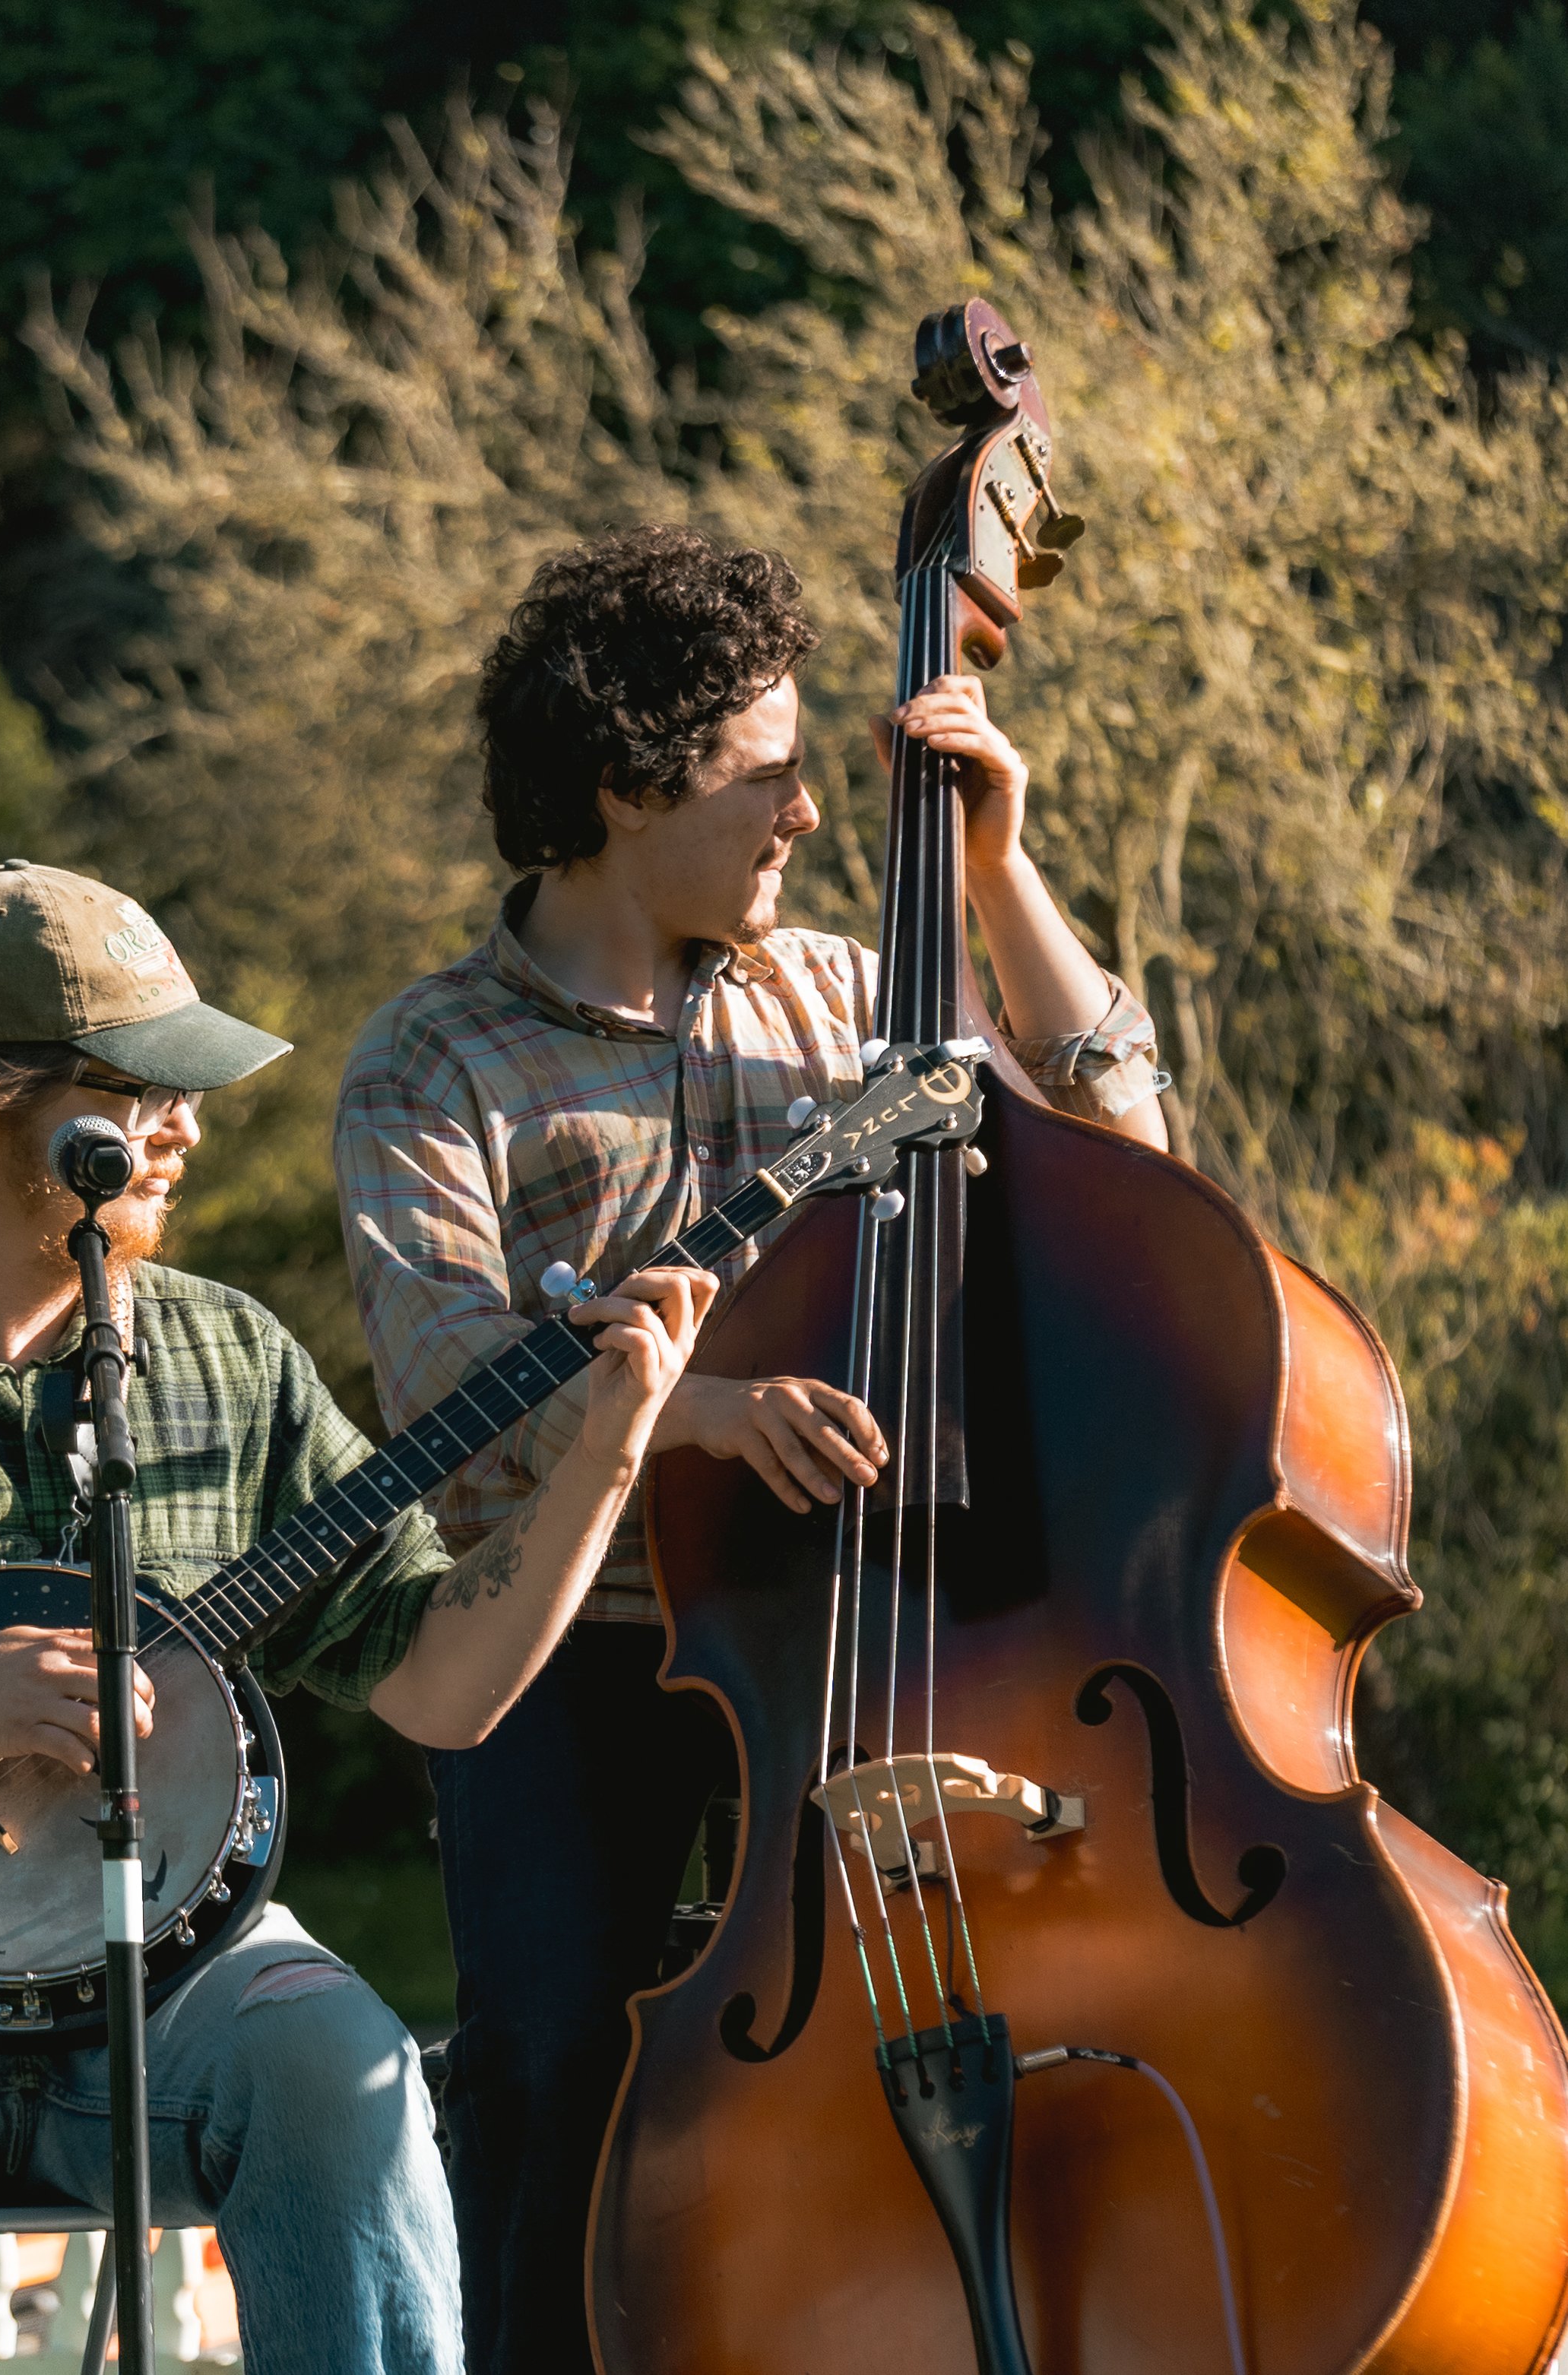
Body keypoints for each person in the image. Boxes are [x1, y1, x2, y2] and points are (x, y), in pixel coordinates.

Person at [0, 858, 713, 2375]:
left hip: (165, 1993)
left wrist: (607, 1451)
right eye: (136, 1091)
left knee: (338, 2057)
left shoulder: (232, 1359)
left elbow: (442, 1685)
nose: (187, 1126)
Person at [334, 525, 1170, 2374]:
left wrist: (997, 873)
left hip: (875, 1639)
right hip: (585, 1638)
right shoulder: (430, 1061)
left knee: (969, 2030)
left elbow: (1130, 1160)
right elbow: (445, 1386)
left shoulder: (845, 999)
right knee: (554, 2055)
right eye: (762, 772)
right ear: (627, 787)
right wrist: (696, 1416)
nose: (806, 810)